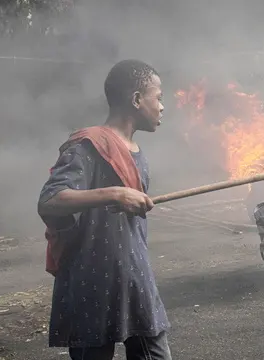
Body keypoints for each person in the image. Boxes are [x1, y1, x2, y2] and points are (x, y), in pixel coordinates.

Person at [37, 59, 170, 360]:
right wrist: (115, 193)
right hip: (91, 283)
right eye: (158, 97)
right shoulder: (89, 146)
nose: (163, 107)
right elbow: (50, 199)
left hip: (134, 278)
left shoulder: (137, 152)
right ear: (136, 99)